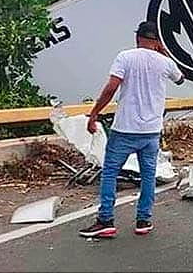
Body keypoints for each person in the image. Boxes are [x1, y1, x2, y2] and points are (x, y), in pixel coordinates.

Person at [79, 21, 184, 238]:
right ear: (156, 41)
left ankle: (106, 220)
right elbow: (181, 79)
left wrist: (95, 113)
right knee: (148, 175)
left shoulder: (125, 57)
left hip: (125, 129)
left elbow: (111, 87)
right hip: (151, 131)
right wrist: (164, 53)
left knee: (109, 172)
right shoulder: (165, 62)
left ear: (138, 38)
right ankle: (143, 220)